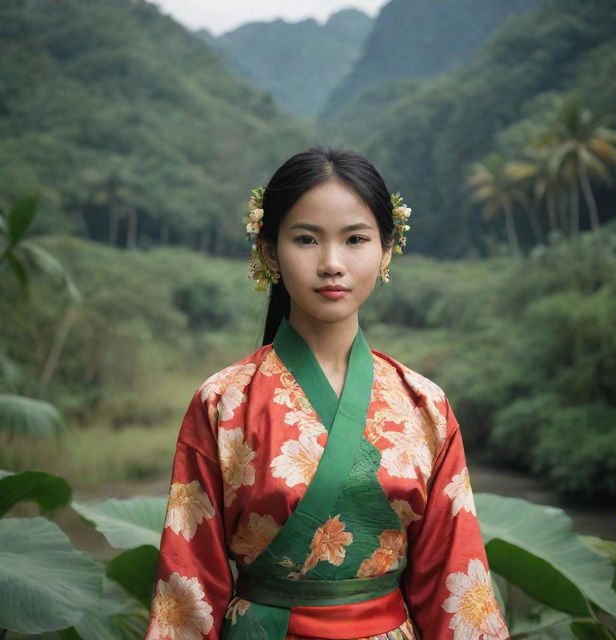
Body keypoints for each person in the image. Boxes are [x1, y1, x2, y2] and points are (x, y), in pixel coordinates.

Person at [144, 146, 510, 640]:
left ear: (386, 249)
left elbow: (454, 577)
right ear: (270, 251)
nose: (332, 263)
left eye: (356, 239)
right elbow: (188, 587)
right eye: (306, 239)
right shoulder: (223, 403)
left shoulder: (425, 404)